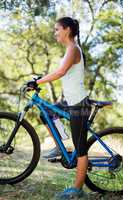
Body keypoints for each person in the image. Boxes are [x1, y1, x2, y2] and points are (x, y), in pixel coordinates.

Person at [27, 17, 91, 199]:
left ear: (67, 30)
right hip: (69, 100)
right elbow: (60, 71)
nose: (55, 33)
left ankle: (77, 191)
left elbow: (60, 72)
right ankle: (60, 145)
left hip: (78, 104)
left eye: (57, 29)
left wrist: (36, 82)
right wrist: (40, 78)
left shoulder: (73, 49)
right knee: (45, 113)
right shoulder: (69, 50)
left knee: (81, 150)